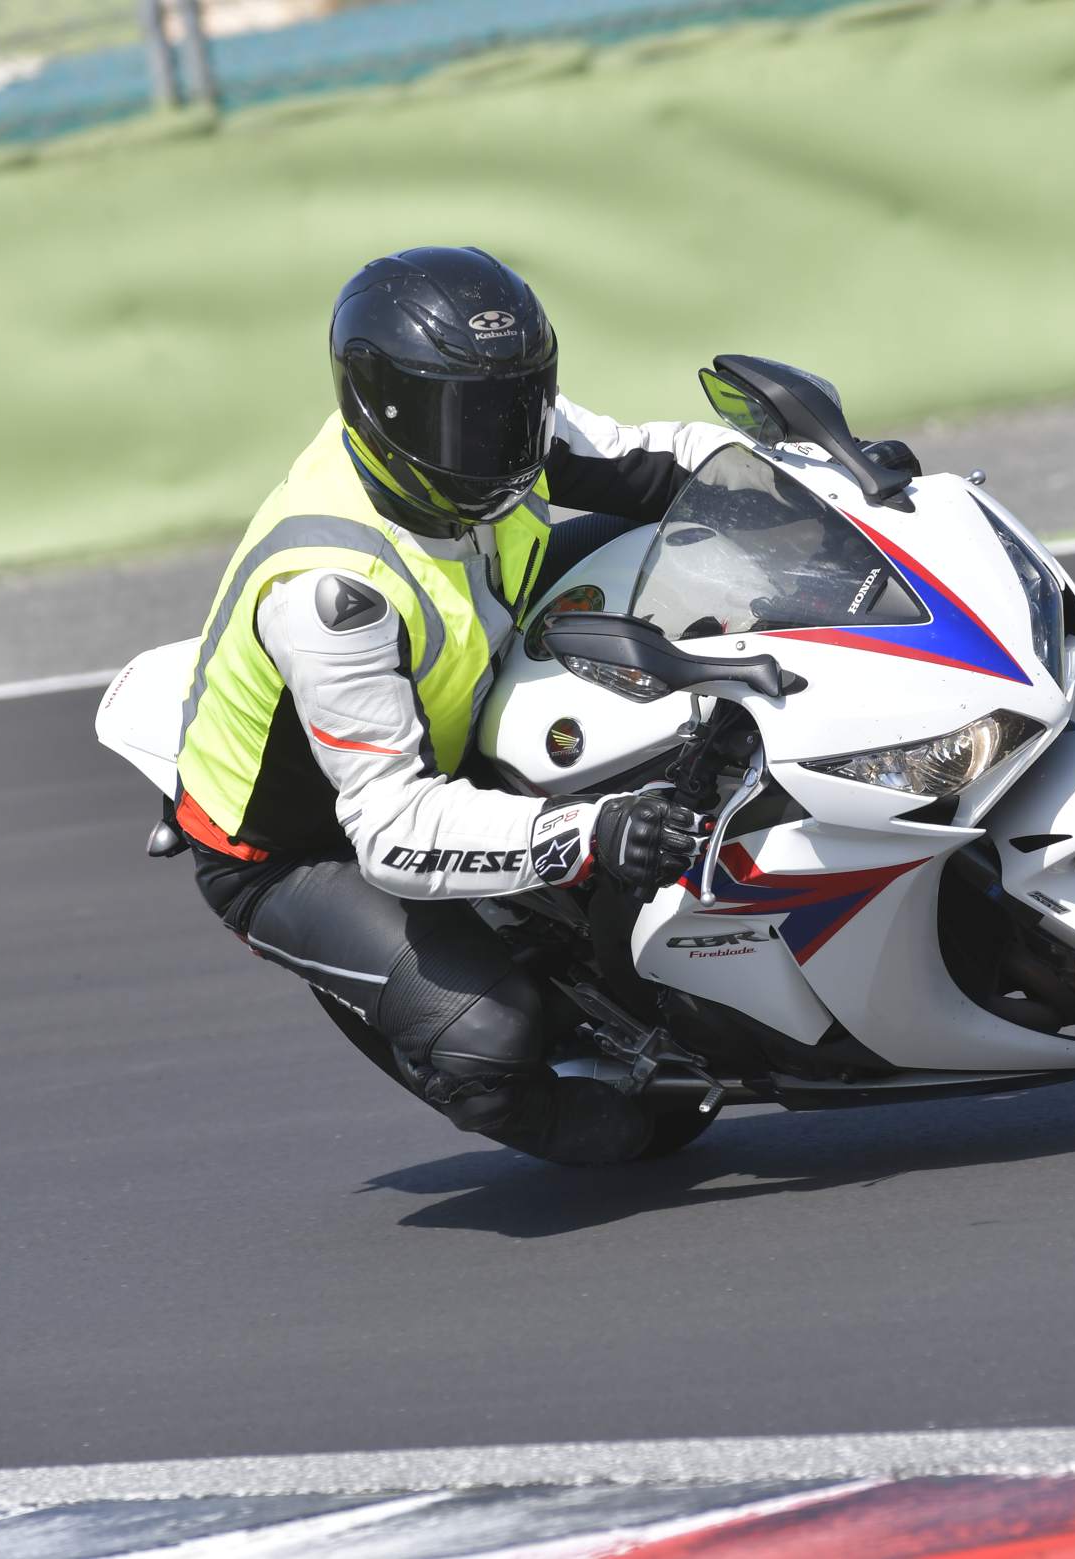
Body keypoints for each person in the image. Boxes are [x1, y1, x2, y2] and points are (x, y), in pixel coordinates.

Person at [174, 245, 736, 1164]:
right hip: (307, 839)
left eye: (521, 404)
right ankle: (526, 1102)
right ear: (384, 414)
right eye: (472, 420)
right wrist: (591, 832)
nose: (509, 444)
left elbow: (659, 460)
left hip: (459, 687)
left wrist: (816, 480)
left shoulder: (498, 426)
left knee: (692, 543)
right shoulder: (331, 592)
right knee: (495, 1037)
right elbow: (390, 826)